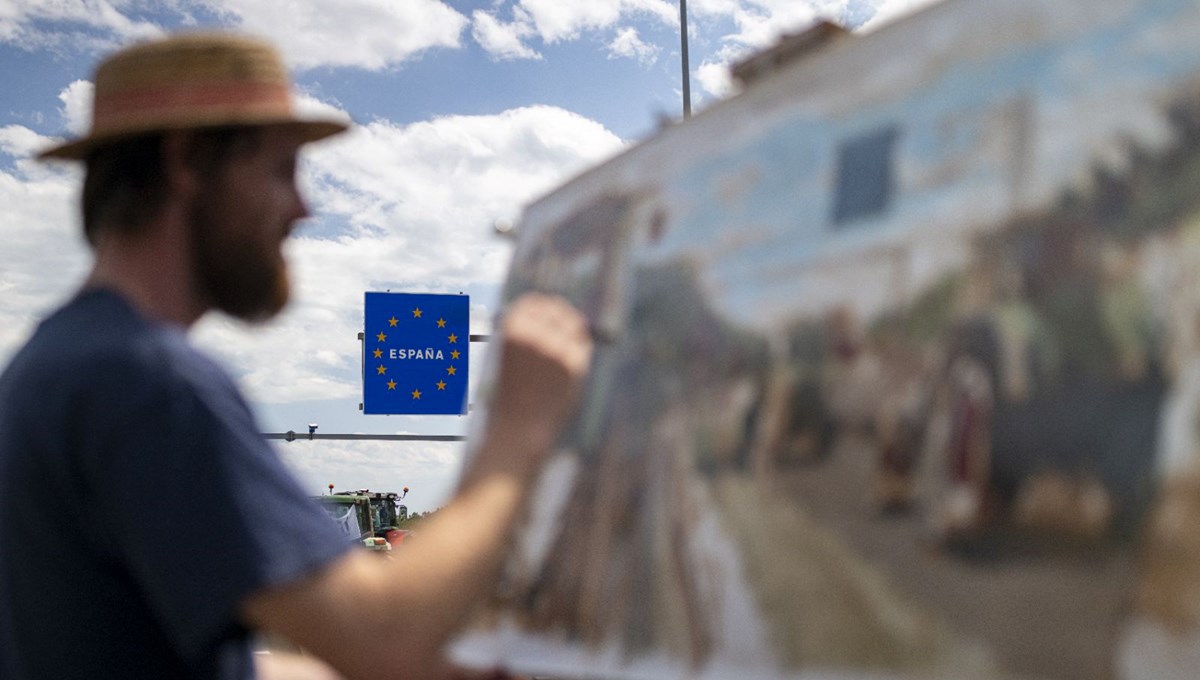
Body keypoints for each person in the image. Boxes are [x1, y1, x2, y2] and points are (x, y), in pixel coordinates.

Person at [0, 32, 592, 680]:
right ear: (187, 163)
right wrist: (518, 430)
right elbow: (389, 639)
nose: (303, 207)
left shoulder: (46, 369)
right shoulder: (151, 385)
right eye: (282, 170)